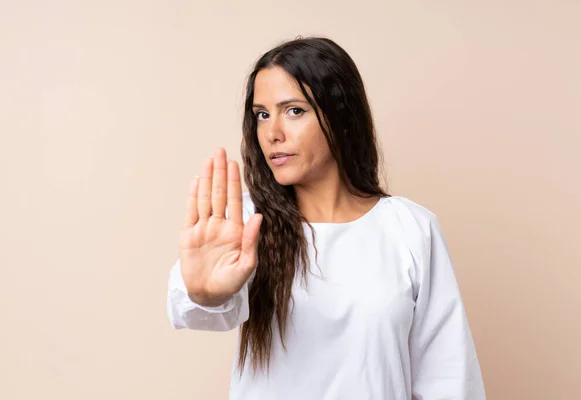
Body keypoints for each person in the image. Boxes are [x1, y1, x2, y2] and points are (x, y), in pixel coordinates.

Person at [166, 36, 486, 400]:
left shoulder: (410, 228)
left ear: (341, 118)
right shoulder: (248, 221)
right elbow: (194, 309)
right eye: (262, 114)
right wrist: (204, 294)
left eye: (294, 111)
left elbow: (448, 376)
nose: (272, 133)